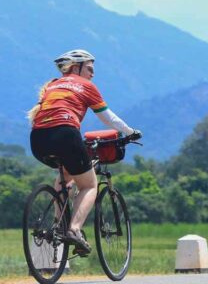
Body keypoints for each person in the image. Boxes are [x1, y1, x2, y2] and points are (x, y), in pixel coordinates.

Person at [27, 49, 141, 256]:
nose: (93, 73)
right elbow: (107, 117)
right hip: (65, 133)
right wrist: (130, 132)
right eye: (89, 68)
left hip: (37, 139)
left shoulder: (53, 85)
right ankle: (74, 229)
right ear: (75, 68)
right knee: (89, 184)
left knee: (66, 173)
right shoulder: (86, 86)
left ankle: (58, 224)